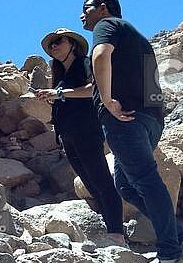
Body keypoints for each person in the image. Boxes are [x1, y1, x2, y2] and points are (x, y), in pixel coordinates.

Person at [81, 0, 183, 263]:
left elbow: (100, 57)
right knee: (125, 185)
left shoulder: (107, 25)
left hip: (125, 120)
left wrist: (110, 102)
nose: (81, 15)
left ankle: (170, 257)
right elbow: (109, 83)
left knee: (147, 182)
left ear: (103, 8)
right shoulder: (138, 38)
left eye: (85, 8)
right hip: (149, 120)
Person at [34, 28, 125, 246]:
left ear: (72, 45)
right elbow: (67, 97)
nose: (54, 47)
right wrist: (52, 97)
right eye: (51, 45)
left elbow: (95, 89)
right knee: (89, 181)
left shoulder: (85, 63)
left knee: (101, 178)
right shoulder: (60, 74)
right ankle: (112, 228)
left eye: (58, 42)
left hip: (86, 130)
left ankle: (117, 234)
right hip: (67, 135)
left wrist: (59, 94)